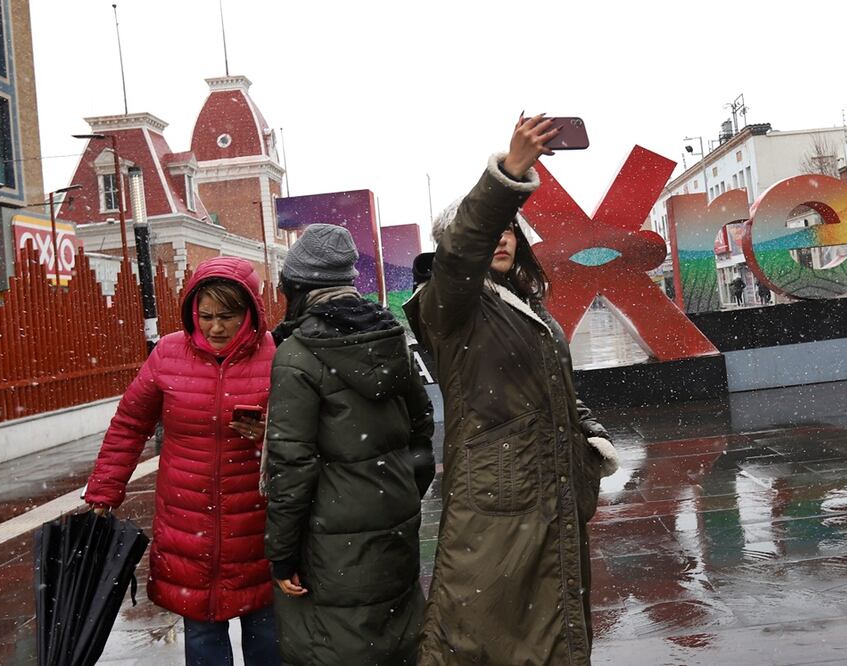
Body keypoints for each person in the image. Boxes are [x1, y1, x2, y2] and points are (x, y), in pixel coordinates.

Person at [403, 114, 620, 665]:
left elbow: (551, 385)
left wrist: (587, 433)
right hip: (498, 500)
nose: (501, 237)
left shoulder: (521, 302)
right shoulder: (449, 305)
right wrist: (511, 174)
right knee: (487, 635)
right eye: (491, 229)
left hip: (546, 489)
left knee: (553, 625)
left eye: (509, 229)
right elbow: (463, 250)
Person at [83, 257, 279, 665]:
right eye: (205, 316)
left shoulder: (276, 355)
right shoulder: (169, 353)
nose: (215, 328)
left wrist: (270, 434)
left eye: (227, 316)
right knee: (202, 631)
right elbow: (130, 424)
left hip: (257, 521)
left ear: (250, 313)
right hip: (187, 523)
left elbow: (307, 431)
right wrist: (104, 489)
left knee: (266, 631)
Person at [263, 224, 435, 665]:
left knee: (335, 642)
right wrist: (400, 494)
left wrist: (282, 554)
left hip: (330, 537)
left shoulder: (297, 355)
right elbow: (421, 428)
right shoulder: (390, 336)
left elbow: (291, 464)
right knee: (397, 637)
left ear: (297, 287)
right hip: (394, 517)